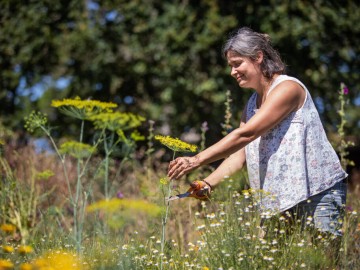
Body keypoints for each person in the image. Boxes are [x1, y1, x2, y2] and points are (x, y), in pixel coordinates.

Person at [167, 27, 348, 236]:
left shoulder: (288, 88)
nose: (232, 71)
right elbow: (238, 155)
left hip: (316, 192)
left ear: (258, 57)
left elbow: (246, 134)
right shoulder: (252, 104)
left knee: (322, 265)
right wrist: (207, 183)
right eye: (230, 66)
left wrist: (195, 160)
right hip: (277, 200)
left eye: (237, 64)